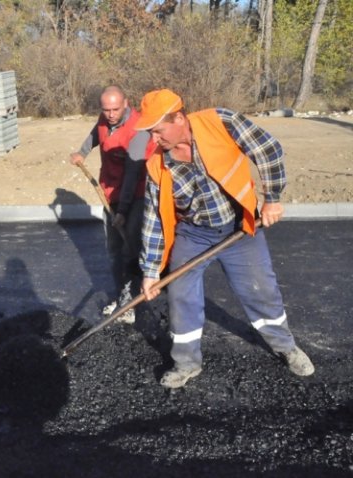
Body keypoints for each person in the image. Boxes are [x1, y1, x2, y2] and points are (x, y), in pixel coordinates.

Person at [134, 88, 315, 388]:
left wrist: (272, 198)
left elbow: (267, 148)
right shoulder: (157, 163)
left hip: (239, 228)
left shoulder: (220, 122)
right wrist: (151, 272)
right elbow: (152, 219)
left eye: (157, 131)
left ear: (179, 118)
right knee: (181, 296)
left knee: (261, 291)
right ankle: (186, 363)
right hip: (193, 235)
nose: (154, 140)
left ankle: (286, 347)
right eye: (150, 133)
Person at [69, 85, 155, 323]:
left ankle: (131, 302)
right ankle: (120, 296)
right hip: (110, 193)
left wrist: (123, 212)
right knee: (114, 250)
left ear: (126, 103)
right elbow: (96, 132)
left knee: (130, 248)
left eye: (115, 109)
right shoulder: (105, 119)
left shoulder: (138, 132)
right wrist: (82, 152)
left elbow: (131, 175)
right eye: (106, 109)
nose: (111, 114)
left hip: (134, 195)